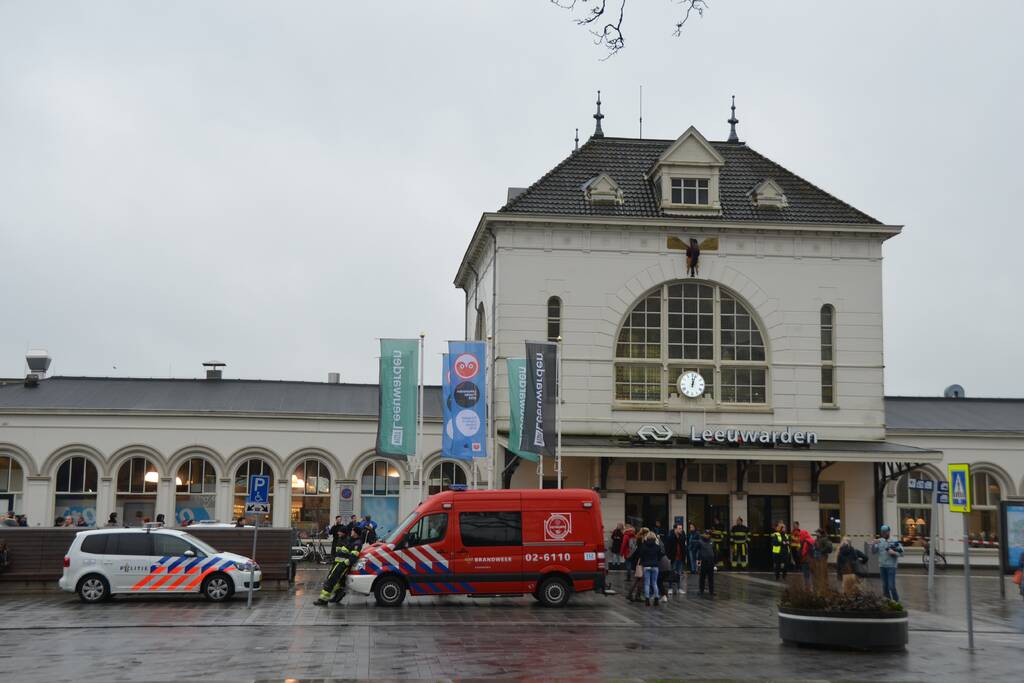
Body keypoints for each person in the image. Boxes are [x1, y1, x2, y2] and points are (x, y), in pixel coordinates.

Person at [313, 532, 361, 606]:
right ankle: (339, 593)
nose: (351, 532)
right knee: (336, 581)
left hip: (341, 565)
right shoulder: (350, 540)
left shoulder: (356, 543)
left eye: (353, 531)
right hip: (338, 563)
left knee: (331, 580)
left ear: (356, 533)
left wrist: (345, 563)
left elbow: (353, 556)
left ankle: (323, 600)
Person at [871, 524, 904, 602]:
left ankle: (896, 602)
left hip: (891, 566)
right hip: (882, 566)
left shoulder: (894, 541)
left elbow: (902, 553)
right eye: (882, 532)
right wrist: (873, 544)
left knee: (891, 586)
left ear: (889, 532)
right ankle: (888, 602)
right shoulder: (879, 541)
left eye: (885, 532)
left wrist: (894, 553)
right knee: (885, 586)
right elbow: (873, 552)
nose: (884, 533)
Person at [637, 531, 664, 606]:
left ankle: (647, 600)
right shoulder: (657, 546)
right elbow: (660, 556)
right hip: (655, 566)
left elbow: (641, 555)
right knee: (654, 583)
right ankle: (656, 599)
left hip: (646, 566)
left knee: (647, 583)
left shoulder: (643, 546)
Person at [664, 523, 687, 595]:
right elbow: (667, 548)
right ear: (675, 529)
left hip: (680, 557)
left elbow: (683, 544)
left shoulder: (682, 535)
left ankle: (679, 588)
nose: (681, 530)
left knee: (679, 573)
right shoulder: (670, 536)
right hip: (673, 558)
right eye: (679, 528)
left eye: (681, 528)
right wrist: (668, 558)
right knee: (671, 573)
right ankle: (670, 588)